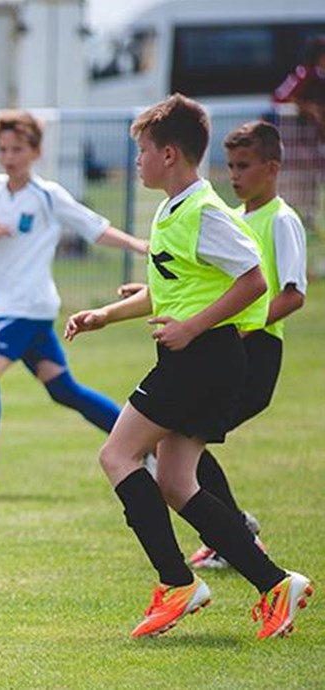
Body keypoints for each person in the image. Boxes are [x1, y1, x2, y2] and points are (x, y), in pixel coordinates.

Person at [64, 94, 312, 640]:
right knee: (177, 481)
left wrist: (192, 326)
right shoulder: (173, 208)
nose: (137, 161)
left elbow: (255, 280)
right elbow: (165, 290)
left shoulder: (203, 211)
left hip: (202, 357)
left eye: (143, 151)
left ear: (170, 154)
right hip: (198, 356)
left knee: (117, 453)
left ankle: (177, 583)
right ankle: (275, 584)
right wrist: (105, 315)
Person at [0, 110, 147, 497]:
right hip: (25, 309)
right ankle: (144, 446)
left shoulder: (47, 195)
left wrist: (139, 244)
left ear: (36, 151)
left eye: (18, 149)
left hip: (24, 307)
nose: (9, 157)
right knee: (64, 390)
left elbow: (94, 227)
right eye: (4, 149)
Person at [118, 121, 308, 571]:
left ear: (272, 168)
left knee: (169, 448)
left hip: (254, 353)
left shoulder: (279, 220)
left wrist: (231, 327)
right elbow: (201, 287)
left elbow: (289, 293)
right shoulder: (229, 216)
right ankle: (244, 550)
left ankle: (232, 537)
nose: (235, 175)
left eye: (245, 166)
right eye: (231, 166)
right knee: (177, 456)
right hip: (218, 346)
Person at [272, 35, 325, 232]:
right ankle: (296, 217)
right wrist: (308, 109)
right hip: (297, 141)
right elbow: (282, 98)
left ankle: (309, 216)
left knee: (312, 178)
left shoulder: (318, 77)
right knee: (296, 180)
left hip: (312, 141)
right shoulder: (305, 75)